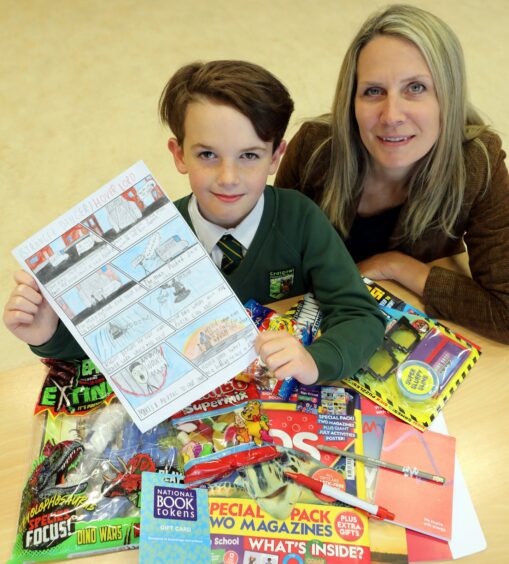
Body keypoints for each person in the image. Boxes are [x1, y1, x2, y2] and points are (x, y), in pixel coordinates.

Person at [3, 60, 386, 386]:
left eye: (250, 155)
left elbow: (361, 314)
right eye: (207, 154)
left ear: (275, 158)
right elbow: (114, 338)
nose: (228, 177)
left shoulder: (300, 219)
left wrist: (316, 360)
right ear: (179, 153)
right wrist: (48, 334)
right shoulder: (148, 240)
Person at [275, 4, 509, 344]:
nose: (391, 115)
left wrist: (396, 265)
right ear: (351, 100)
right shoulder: (315, 150)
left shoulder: (478, 163)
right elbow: (278, 273)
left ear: (449, 96)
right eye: (373, 91)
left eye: (415, 88)